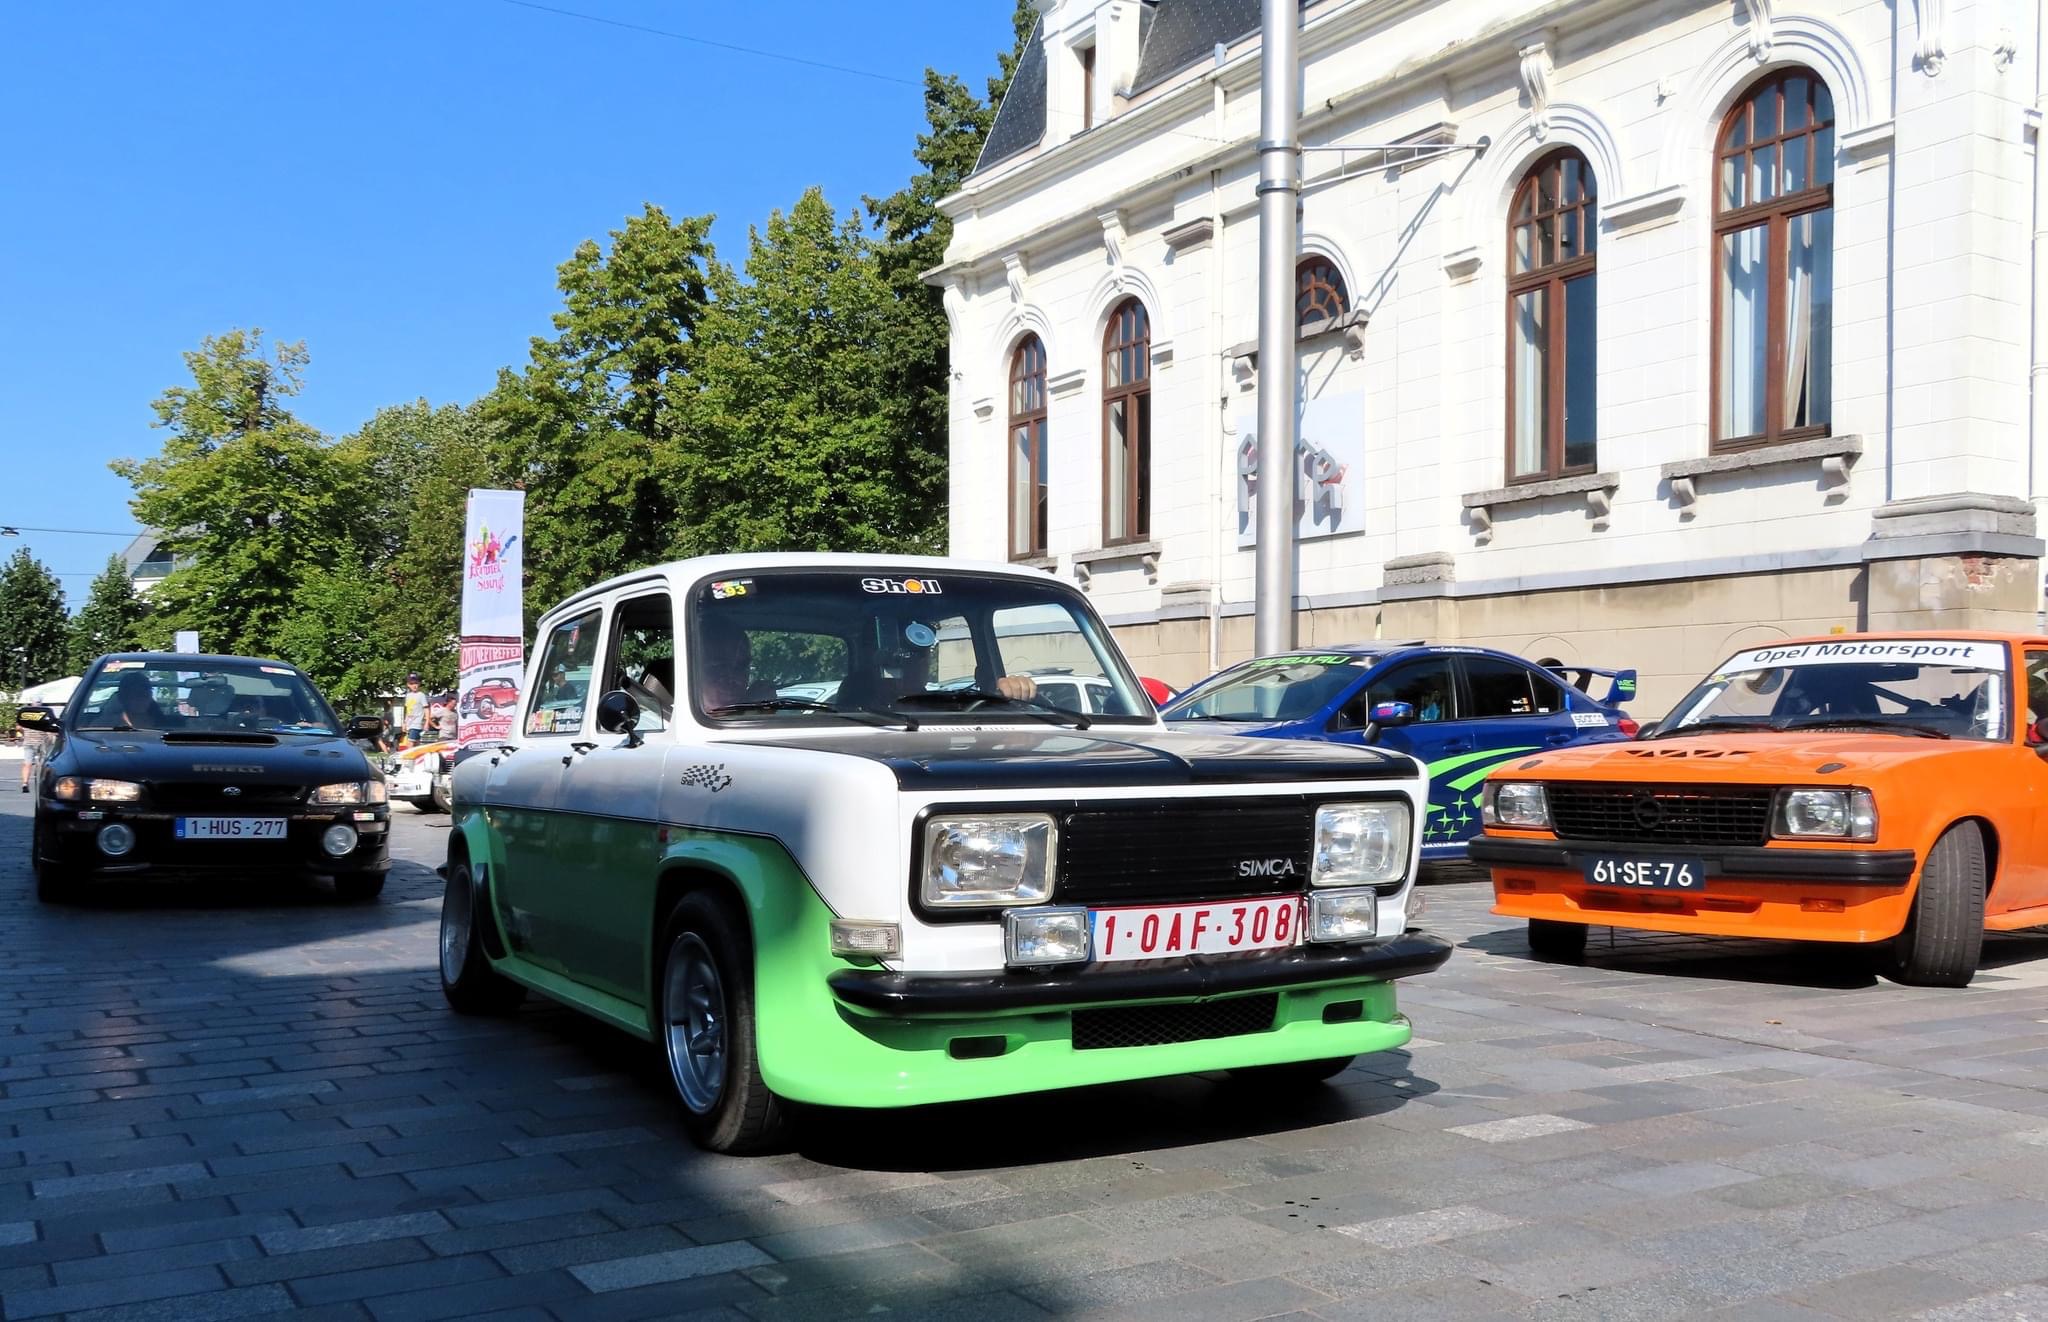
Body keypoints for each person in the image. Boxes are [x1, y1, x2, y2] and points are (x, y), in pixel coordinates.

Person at [400, 673, 426, 748]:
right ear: (408, 685)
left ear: (419, 684)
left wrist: (427, 721)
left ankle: (409, 758)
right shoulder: (408, 695)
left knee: (410, 743)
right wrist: (404, 723)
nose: (414, 685)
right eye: (411, 683)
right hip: (409, 723)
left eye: (416, 683)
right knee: (416, 743)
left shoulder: (421, 695)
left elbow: (426, 708)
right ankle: (416, 758)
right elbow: (407, 710)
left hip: (417, 723)